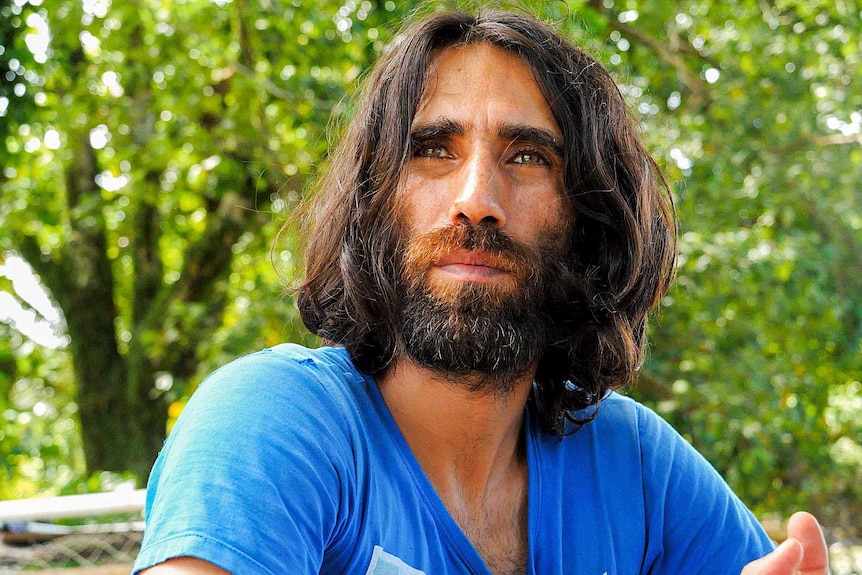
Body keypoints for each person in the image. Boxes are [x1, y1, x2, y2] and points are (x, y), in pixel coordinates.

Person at [133, 8, 829, 575]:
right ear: (372, 200)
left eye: (527, 157)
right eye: (434, 147)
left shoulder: (637, 467)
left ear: (587, 216)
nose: (476, 201)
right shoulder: (272, 423)